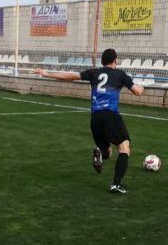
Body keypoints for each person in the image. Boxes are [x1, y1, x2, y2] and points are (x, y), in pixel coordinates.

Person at [34, 49, 144, 194]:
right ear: (115, 61)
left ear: (102, 61)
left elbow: (71, 76)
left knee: (108, 153)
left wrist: (46, 73)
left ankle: (99, 152)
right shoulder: (120, 74)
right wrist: (142, 87)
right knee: (124, 147)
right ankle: (116, 184)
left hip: (95, 117)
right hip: (110, 115)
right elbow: (137, 92)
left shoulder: (94, 73)